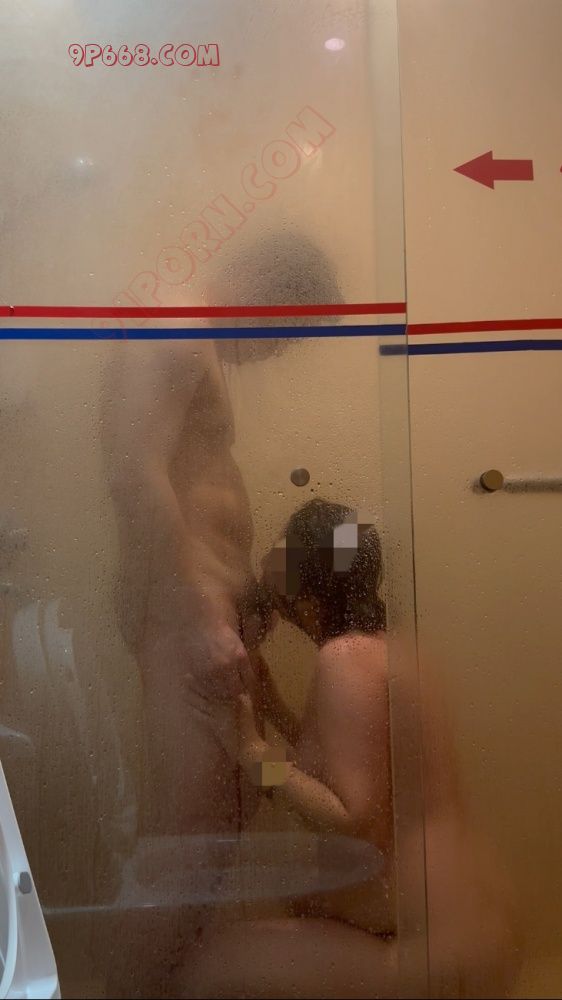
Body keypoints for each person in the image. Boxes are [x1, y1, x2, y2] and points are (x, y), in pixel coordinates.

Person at [102, 233, 343, 997]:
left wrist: (238, 612)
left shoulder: (197, 339)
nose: (276, 354)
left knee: (223, 826)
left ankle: (174, 985)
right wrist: (203, 616)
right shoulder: (177, 326)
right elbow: (135, 472)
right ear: (268, 289)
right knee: (187, 840)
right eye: (288, 334)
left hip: (207, 620)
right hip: (188, 624)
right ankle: (131, 991)